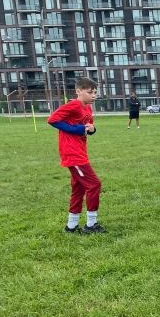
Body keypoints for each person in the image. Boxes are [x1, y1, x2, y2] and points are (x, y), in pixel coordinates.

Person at [47, 76, 107, 234]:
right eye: (90, 92)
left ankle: (71, 226)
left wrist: (92, 129)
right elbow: (52, 120)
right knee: (94, 184)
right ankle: (91, 225)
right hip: (72, 155)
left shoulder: (88, 108)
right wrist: (76, 130)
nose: (94, 95)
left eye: (95, 92)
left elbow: (88, 126)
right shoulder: (73, 105)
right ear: (78, 91)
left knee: (79, 189)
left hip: (81, 152)